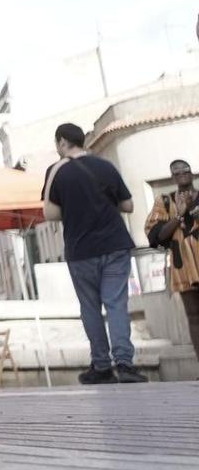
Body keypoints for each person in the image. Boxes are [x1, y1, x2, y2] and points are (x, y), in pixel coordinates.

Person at [44, 123, 143, 384]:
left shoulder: (57, 171)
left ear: (62, 142)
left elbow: (50, 214)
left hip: (81, 249)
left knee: (90, 307)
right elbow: (128, 205)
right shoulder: (106, 167)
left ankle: (101, 365)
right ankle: (125, 364)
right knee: (116, 304)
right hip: (114, 244)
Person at [145, 158, 199, 348]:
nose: (181, 174)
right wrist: (180, 215)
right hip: (182, 265)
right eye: (176, 172)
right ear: (172, 177)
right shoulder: (165, 201)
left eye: (185, 170)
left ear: (192, 173)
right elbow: (157, 235)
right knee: (194, 316)